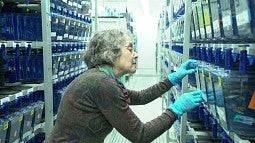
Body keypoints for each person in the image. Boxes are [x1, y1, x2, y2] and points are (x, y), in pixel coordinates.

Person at [44, 29, 203, 143]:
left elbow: (140, 97)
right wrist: (176, 109)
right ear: (111, 52)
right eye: (130, 48)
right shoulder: (102, 84)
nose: (136, 54)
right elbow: (141, 135)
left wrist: (172, 79)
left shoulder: (102, 77)